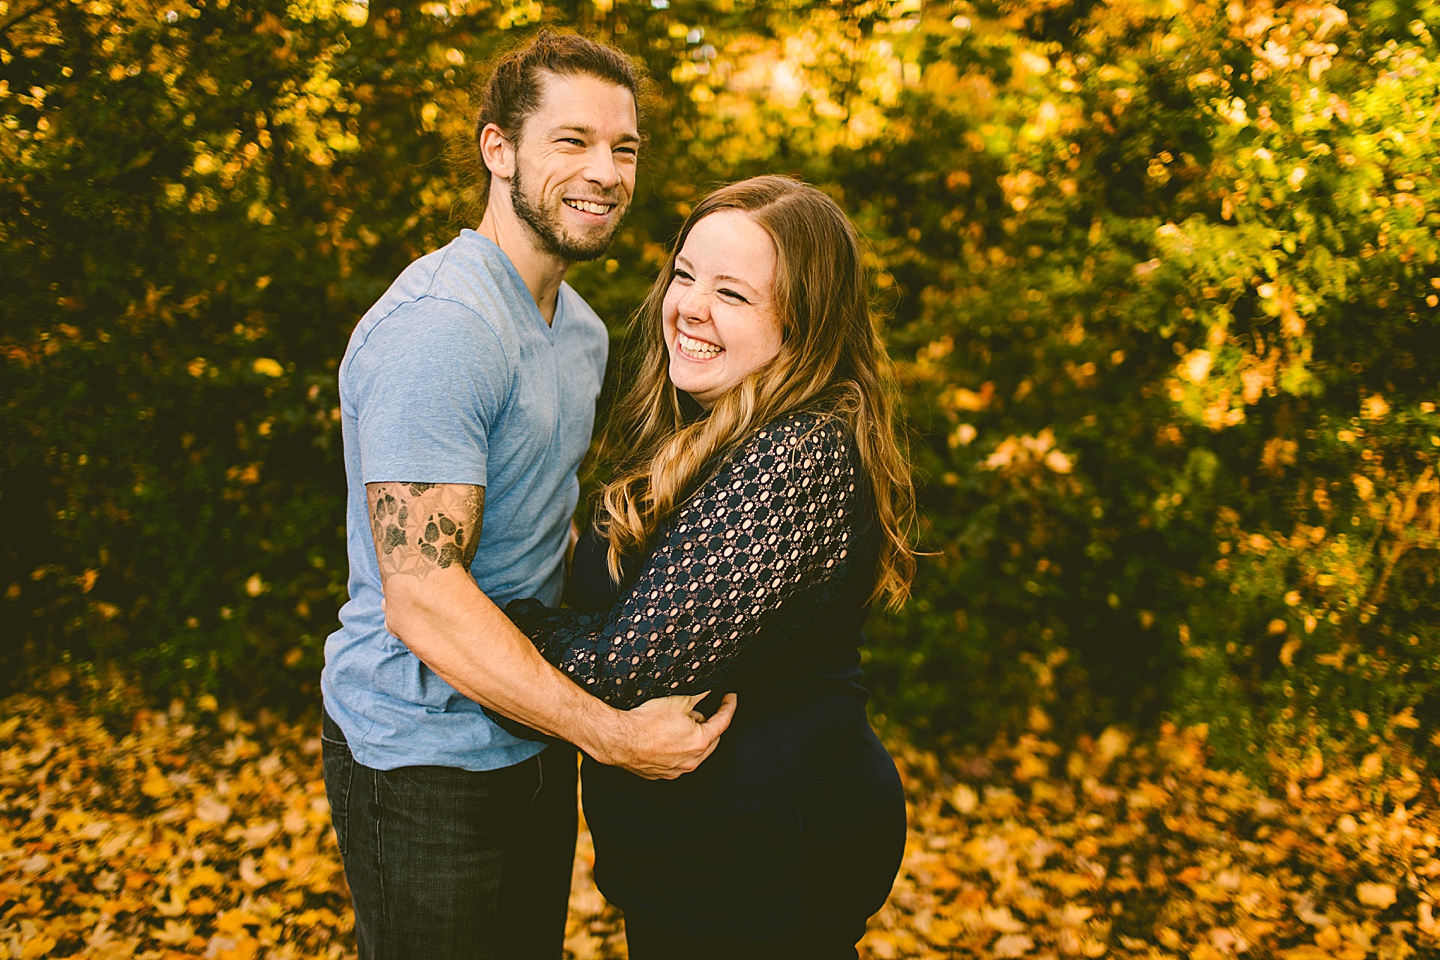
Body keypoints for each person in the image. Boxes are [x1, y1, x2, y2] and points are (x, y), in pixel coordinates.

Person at [319, 32, 735, 960]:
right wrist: (614, 736)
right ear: (497, 150)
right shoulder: (443, 330)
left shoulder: (580, 331)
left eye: (623, 148)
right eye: (571, 140)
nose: (605, 171)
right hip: (420, 756)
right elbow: (423, 598)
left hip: (533, 735)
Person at [497, 175, 917, 959]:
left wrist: (487, 622)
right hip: (704, 863)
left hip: (765, 865)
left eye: (733, 293)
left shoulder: (800, 453)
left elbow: (626, 669)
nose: (689, 306)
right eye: (685, 275)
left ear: (805, 322)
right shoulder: (708, 430)